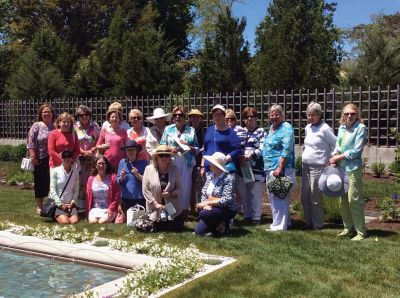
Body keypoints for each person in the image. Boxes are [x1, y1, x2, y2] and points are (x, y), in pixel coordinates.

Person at [329, 103, 367, 241]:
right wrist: (333, 158)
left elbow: (356, 151)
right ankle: (348, 228)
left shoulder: (361, 128)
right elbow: (338, 145)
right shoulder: (342, 127)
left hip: (353, 169)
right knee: (343, 200)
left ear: (357, 115)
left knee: (353, 200)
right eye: (347, 114)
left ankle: (361, 232)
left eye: (352, 113)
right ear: (343, 115)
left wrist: (337, 157)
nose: (349, 116)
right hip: (340, 168)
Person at [301, 102, 337, 230]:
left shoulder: (325, 128)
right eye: (308, 115)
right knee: (304, 196)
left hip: (318, 167)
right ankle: (308, 222)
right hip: (305, 166)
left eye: (313, 115)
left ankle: (317, 224)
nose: (310, 117)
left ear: (319, 115)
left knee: (315, 196)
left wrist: (330, 157)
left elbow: (336, 144)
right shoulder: (308, 128)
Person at [262, 104, 296, 231]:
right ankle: (282, 222)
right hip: (270, 166)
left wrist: (280, 167)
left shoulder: (286, 127)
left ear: (282, 115)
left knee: (280, 195)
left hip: (281, 168)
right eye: (272, 114)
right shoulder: (271, 128)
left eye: (277, 114)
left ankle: (280, 225)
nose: (274, 116)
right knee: (273, 195)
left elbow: (286, 149)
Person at [160, 106, 199, 214]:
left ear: (184, 117)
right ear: (173, 118)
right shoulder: (168, 129)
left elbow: (197, 148)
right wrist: (169, 149)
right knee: (171, 186)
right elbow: (162, 145)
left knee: (185, 187)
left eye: (180, 115)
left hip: (187, 162)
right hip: (172, 161)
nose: (178, 117)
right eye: (175, 115)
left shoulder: (191, 130)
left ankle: (183, 212)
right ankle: (171, 212)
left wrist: (188, 147)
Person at [142, 145, 184, 231]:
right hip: (155, 206)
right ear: (156, 157)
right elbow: (145, 189)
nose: (164, 157)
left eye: (166, 155)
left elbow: (180, 188)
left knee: (172, 227)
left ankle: (169, 220)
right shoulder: (148, 169)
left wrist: (171, 194)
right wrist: (155, 204)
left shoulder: (175, 168)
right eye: (161, 155)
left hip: (170, 206)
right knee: (157, 227)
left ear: (169, 157)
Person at [195, 152, 237, 236]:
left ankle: (224, 222)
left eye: (212, 163)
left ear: (217, 166)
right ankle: (220, 226)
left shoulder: (229, 178)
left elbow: (226, 199)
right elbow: (204, 192)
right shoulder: (210, 176)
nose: (209, 164)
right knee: (199, 232)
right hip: (210, 208)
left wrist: (207, 203)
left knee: (203, 213)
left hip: (226, 208)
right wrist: (204, 205)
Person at [236, 107, 266, 225]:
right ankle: (247, 215)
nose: (249, 119)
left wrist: (251, 156)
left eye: (252, 116)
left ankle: (256, 217)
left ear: (256, 118)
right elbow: (235, 147)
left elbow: (263, 148)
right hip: (241, 168)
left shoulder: (261, 132)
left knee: (255, 193)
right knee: (244, 193)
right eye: (246, 117)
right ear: (243, 119)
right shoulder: (239, 132)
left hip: (256, 169)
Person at [27, 103, 56, 213]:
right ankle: (39, 206)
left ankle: (50, 204)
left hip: (53, 159)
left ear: (52, 114)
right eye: (44, 112)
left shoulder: (55, 126)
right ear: (41, 114)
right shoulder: (37, 125)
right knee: (40, 182)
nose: (47, 113)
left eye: (49, 111)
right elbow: (30, 142)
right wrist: (33, 156)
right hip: (40, 159)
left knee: (51, 182)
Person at [202, 105, 241, 174]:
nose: (216, 117)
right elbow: (205, 149)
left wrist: (225, 159)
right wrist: (202, 165)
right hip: (209, 169)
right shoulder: (209, 130)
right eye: (214, 115)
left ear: (224, 116)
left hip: (225, 169)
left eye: (219, 114)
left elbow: (237, 150)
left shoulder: (231, 132)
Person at [74, 105, 100, 209]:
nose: (84, 117)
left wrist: (93, 150)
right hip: (79, 158)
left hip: (92, 158)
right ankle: (80, 205)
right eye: (81, 115)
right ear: (78, 116)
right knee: (80, 182)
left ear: (89, 116)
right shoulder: (75, 127)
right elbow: (73, 142)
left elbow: (99, 139)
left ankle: (91, 203)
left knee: (92, 180)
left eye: (86, 114)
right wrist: (82, 151)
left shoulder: (94, 126)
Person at [86, 155, 120, 224]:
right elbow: (88, 197)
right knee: (93, 222)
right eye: (99, 163)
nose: (101, 166)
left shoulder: (112, 177)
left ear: (106, 165)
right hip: (95, 208)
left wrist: (111, 208)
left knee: (102, 221)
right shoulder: (91, 179)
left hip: (109, 208)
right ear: (95, 165)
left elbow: (117, 195)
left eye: (103, 163)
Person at [49, 149, 80, 224]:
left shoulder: (75, 172)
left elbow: (76, 190)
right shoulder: (55, 171)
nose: (67, 159)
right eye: (64, 157)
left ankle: (67, 214)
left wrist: (73, 202)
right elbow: (52, 189)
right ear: (62, 159)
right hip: (59, 204)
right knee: (65, 222)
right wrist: (60, 204)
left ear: (72, 159)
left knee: (74, 221)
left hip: (70, 204)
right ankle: (55, 214)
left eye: (69, 157)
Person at [117, 140, 148, 213]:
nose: (130, 152)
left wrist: (138, 175)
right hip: (126, 198)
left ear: (136, 150)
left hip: (141, 197)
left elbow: (148, 181)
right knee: (129, 221)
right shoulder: (122, 162)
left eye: (132, 150)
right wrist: (121, 177)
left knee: (140, 220)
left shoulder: (144, 163)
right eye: (128, 150)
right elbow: (117, 180)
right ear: (125, 151)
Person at [188, 108, 206, 210]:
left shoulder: (204, 130)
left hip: (199, 161)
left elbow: (205, 145)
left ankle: (200, 207)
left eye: (197, 117)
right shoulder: (187, 130)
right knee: (190, 186)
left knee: (200, 186)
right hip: (189, 161)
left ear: (200, 119)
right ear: (190, 118)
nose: (195, 119)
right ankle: (191, 207)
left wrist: (198, 150)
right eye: (193, 117)